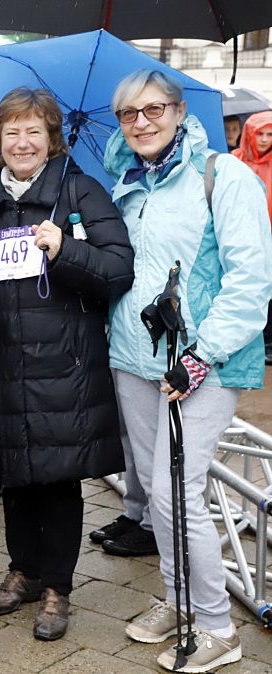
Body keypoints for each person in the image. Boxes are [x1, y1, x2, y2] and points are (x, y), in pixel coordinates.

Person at [104, 68, 272, 673]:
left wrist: (203, 355)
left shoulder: (222, 176)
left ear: (179, 112)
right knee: (155, 491)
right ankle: (178, 600)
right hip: (135, 358)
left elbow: (252, 281)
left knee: (180, 492)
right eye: (129, 114)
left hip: (203, 363)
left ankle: (219, 626)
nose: (142, 123)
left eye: (154, 110)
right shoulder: (126, 184)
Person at [0, 88, 134, 641]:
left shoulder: (80, 190)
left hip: (65, 365)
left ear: (51, 139)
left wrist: (66, 249)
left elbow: (118, 270)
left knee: (59, 479)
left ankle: (56, 589)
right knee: (15, 475)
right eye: (12, 131)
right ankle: (23, 570)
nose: (21, 142)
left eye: (33, 131)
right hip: (0, 361)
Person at [232, 110, 272, 365]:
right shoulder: (232, 162)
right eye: (261, 134)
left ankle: (268, 342)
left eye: (270, 134)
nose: (266, 139)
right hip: (242, 235)